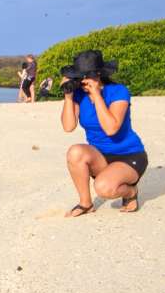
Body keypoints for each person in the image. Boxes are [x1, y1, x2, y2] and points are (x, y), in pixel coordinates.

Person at [60, 50, 148, 217]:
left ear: (99, 74)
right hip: (100, 156)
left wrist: (97, 95)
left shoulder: (118, 91)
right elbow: (68, 126)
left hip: (129, 155)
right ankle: (86, 203)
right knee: (75, 152)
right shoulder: (79, 95)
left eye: (87, 76)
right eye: (79, 77)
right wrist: (68, 97)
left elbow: (111, 128)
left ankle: (131, 192)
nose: (83, 81)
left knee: (104, 189)